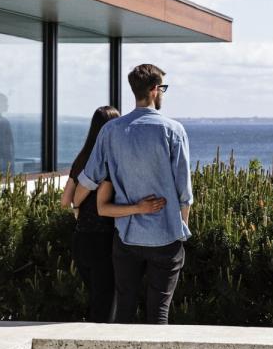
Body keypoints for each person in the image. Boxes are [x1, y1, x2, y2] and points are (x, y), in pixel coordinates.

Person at [74, 64, 192, 325]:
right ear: (154, 90)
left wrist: (75, 204)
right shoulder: (173, 130)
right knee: (159, 312)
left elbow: (89, 178)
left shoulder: (111, 130)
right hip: (166, 235)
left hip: (127, 237)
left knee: (125, 309)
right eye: (162, 88)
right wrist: (182, 226)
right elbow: (184, 191)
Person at [61, 105, 166, 322]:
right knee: (105, 309)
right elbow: (104, 206)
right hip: (105, 241)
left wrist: (77, 208)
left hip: (81, 240)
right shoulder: (109, 162)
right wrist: (140, 207)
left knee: (97, 303)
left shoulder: (81, 159)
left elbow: (65, 201)